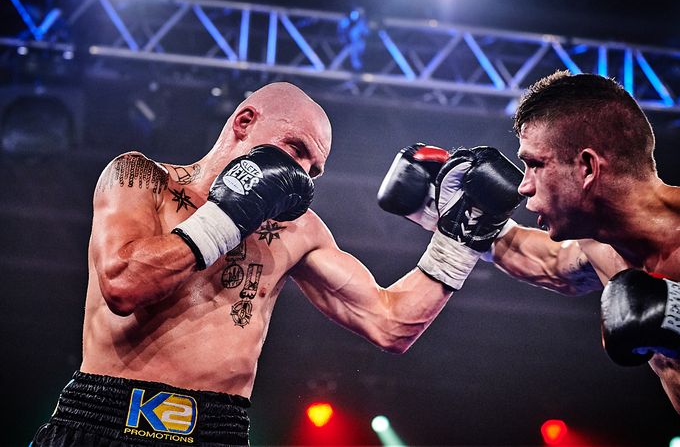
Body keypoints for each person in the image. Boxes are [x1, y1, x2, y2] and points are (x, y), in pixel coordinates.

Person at [30, 81, 523, 446]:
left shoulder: (298, 231)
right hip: (102, 420)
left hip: (219, 432)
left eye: (314, 170)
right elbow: (123, 284)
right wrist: (229, 216)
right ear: (244, 122)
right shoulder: (141, 178)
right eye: (295, 150)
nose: (301, 174)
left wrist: (459, 239)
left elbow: (391, 324)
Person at [380, 70, 680, 413]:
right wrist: (464, 217)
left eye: (535, 164)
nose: (524, 187)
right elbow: (551, 264)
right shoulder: (602, 243)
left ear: (587, 167)